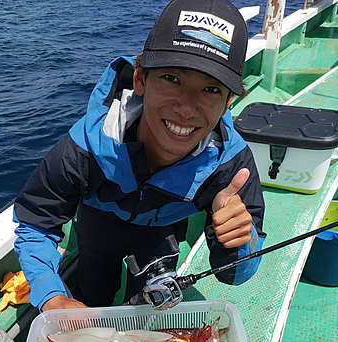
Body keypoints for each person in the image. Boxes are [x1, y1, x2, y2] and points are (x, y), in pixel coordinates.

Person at [14, 0, 266, 312]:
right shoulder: (83, 148)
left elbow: (236, 275)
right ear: (140, 79)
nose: (187, 108)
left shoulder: (232, 166)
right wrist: (51, 296)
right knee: (93, 292)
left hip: (161, 232)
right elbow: (36, 225)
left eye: (211, 90)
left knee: (151, 308)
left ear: (228, 102)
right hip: (98, 222)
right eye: (172, 78)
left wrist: (238, 241)